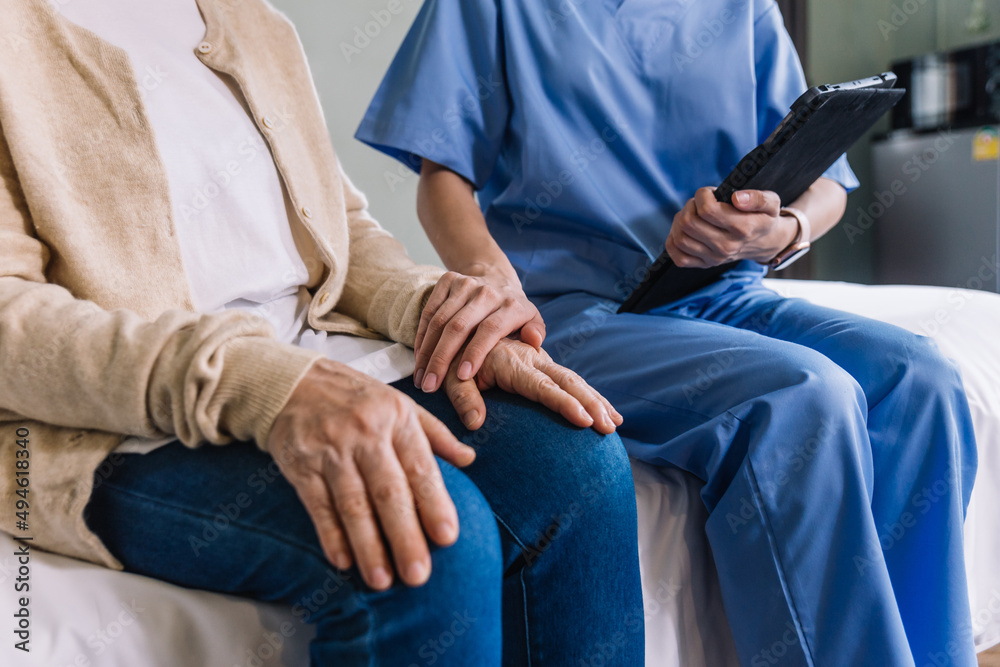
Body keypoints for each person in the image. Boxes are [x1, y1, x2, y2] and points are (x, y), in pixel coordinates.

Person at [0, 0, 646, 665]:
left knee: (581, 465)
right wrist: (259, 384)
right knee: (429, 538)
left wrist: (440, 311)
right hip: (113, 423)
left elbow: (341, 229)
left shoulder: (250, 20)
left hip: (315, 354)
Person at [356, 0, 980, 664]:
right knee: (805, 396)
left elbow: (827, 184)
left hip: (724, 291)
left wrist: (780, 231)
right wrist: (491, 277)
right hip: (570, 308)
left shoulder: (744, 10)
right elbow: (442, 177)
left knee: (924, 380)